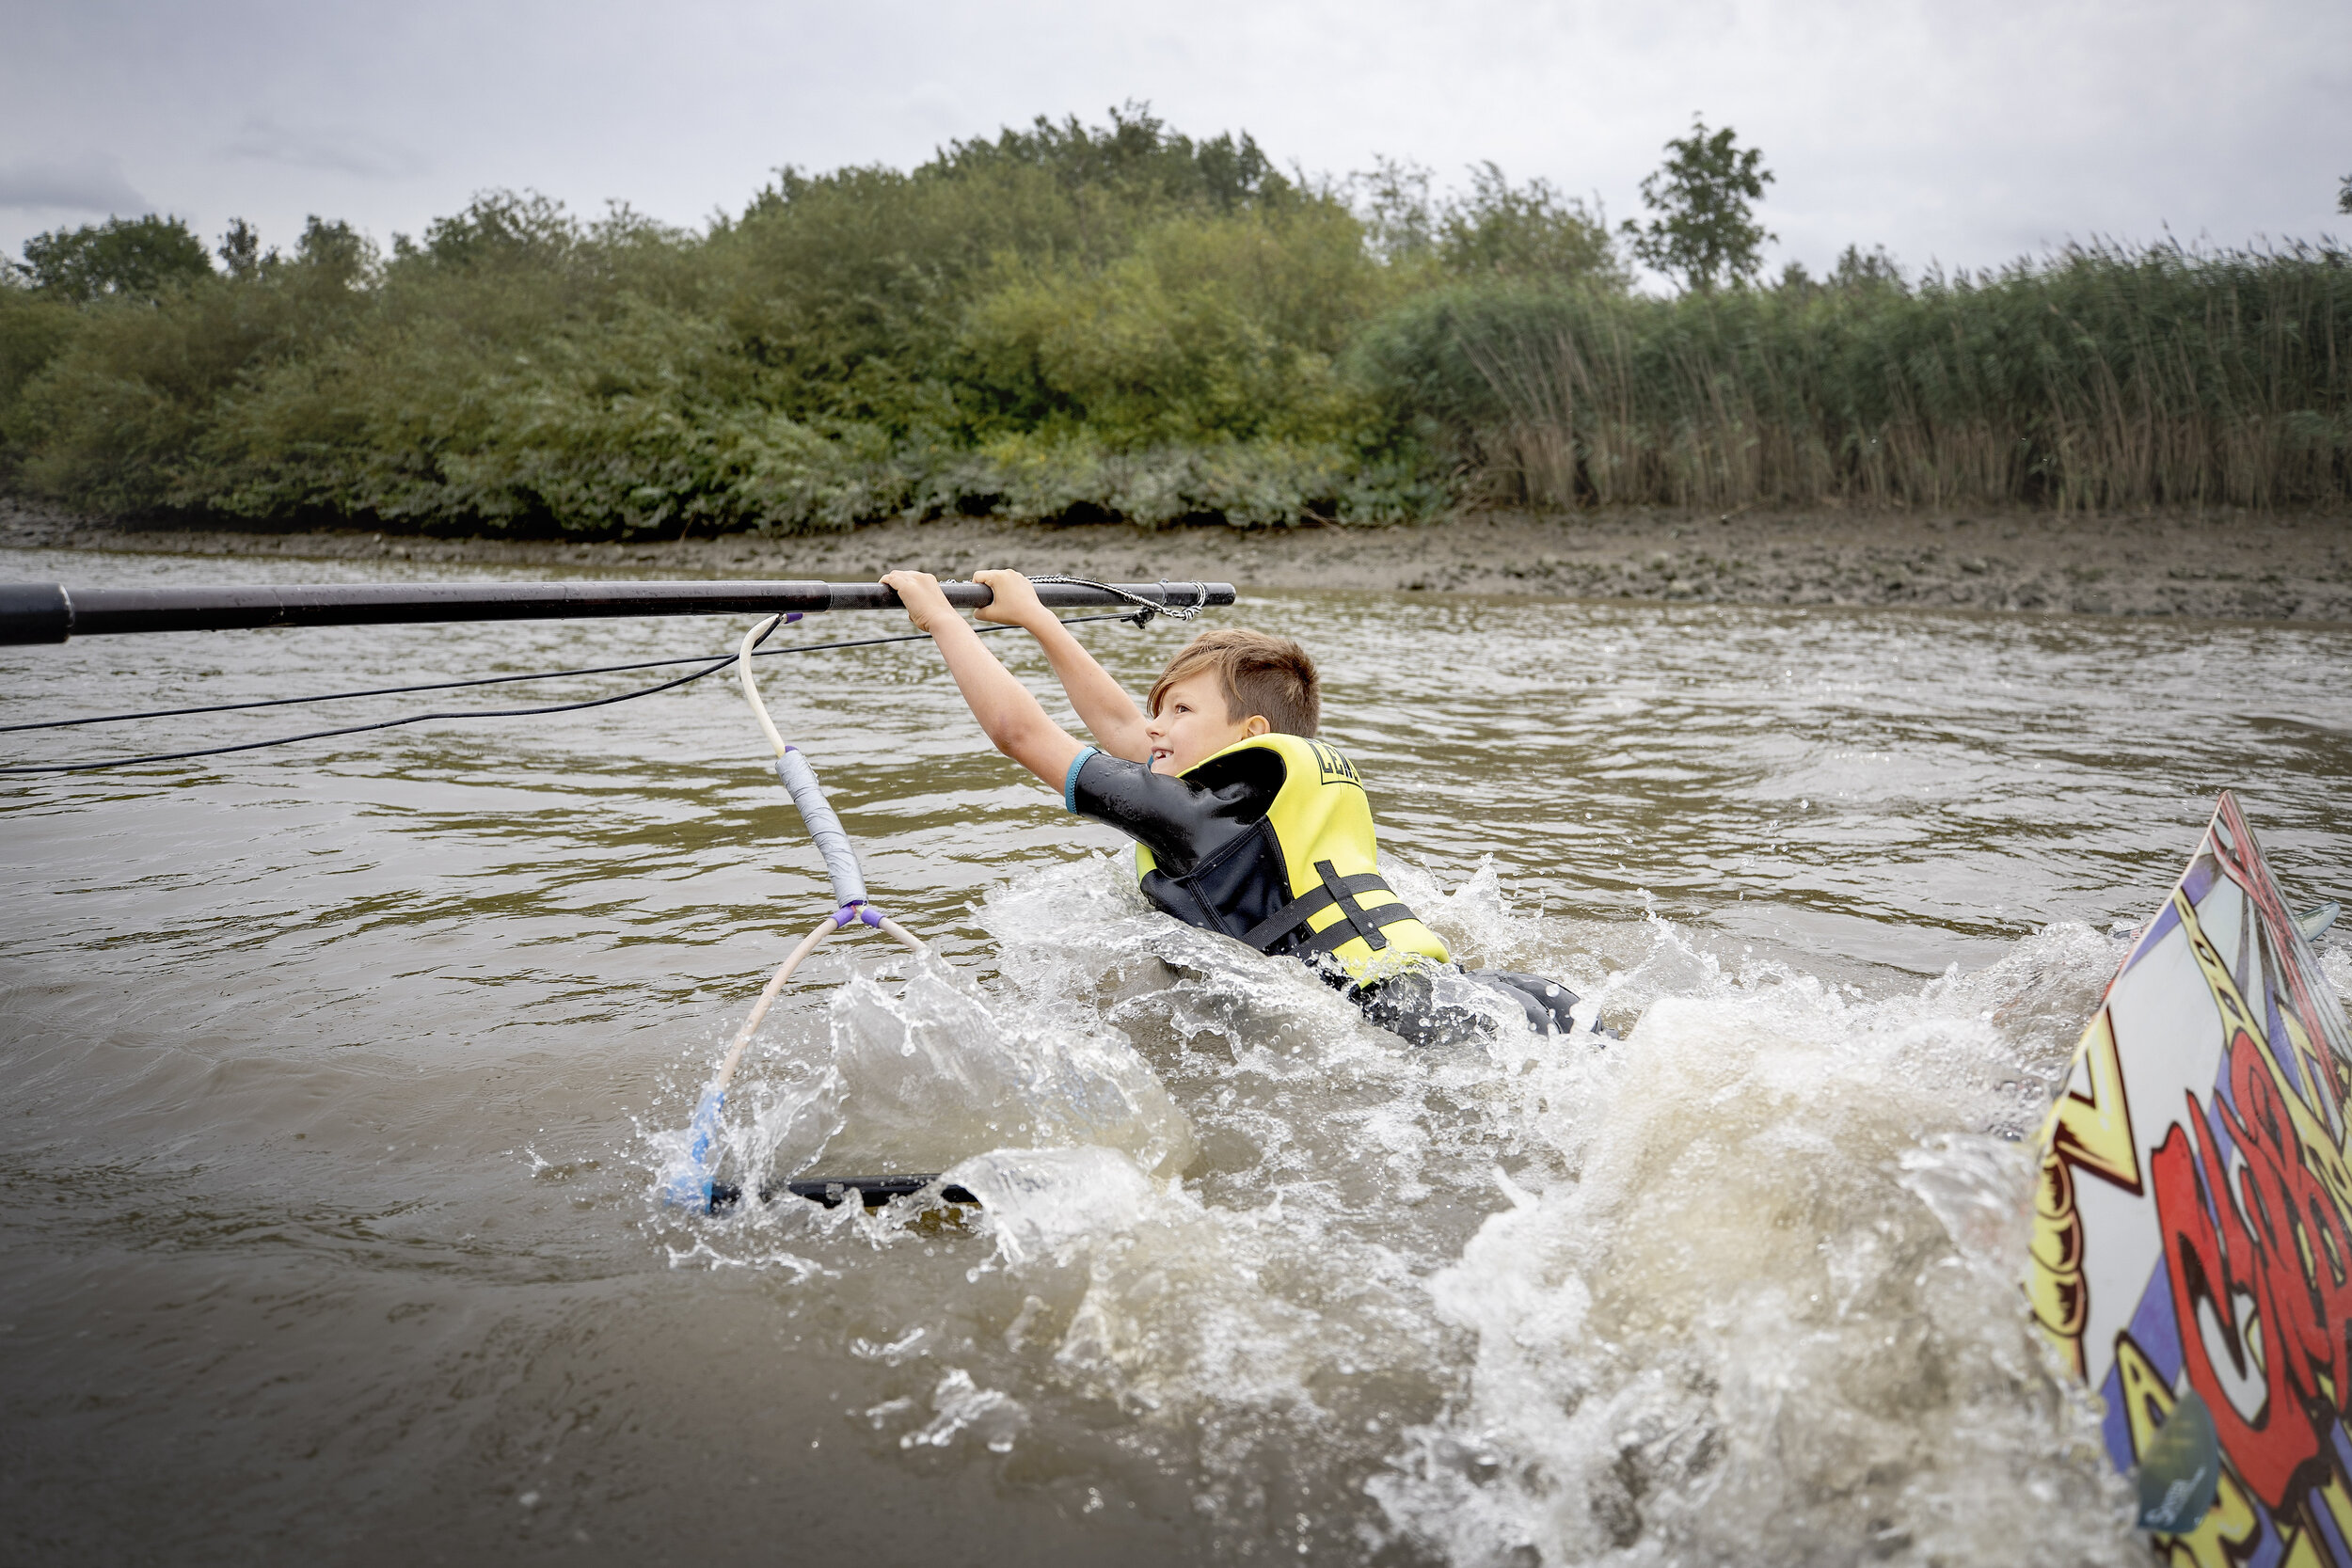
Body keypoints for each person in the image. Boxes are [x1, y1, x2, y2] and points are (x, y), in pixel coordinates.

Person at [878, 568, 1600, 1046]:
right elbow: (1135, 735)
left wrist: (943, 618)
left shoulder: (1198, 815)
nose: (1152, 728)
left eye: (1181, 708)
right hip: (1479, 990)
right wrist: (1036, 619)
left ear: (1248, 734)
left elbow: (1020, 733)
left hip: (1397, 1021)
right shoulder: (1272, 786)